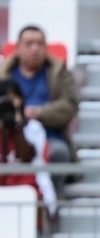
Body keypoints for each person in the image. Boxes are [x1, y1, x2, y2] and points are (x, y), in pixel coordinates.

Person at [1, 25, 79, 171]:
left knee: (59, 153)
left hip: (50, 137)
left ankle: (56, 194)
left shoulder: (59, 71)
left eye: (40, 43)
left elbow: (70, 105)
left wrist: (39, 113)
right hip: (10, 140)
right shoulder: (3, 74)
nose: (35, 49)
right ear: (17, 47)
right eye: (29, 44)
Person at [0, 78, 58, 227]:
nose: (10, 104)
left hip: (24, 194)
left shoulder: (32, 128)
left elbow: (28, 156)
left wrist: (16, 127)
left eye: (13, 98)